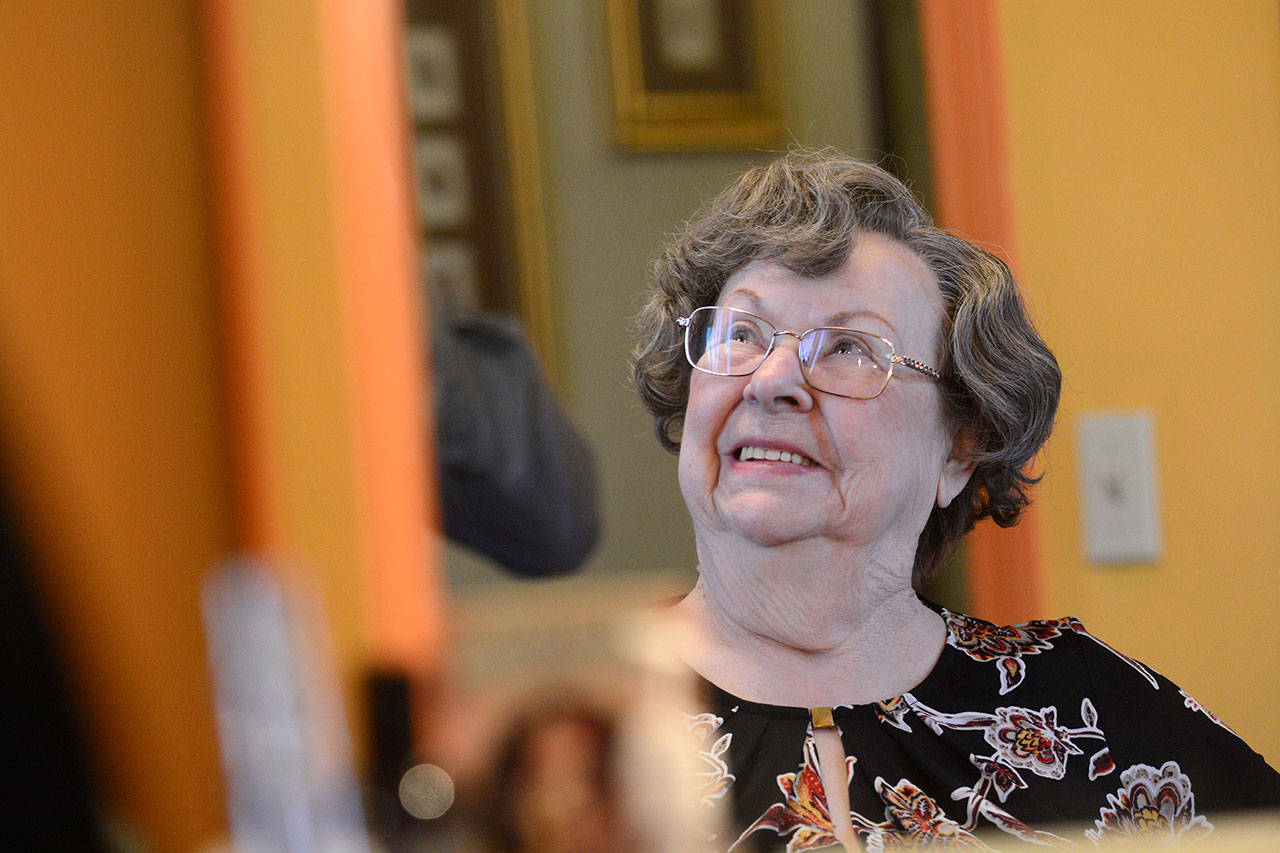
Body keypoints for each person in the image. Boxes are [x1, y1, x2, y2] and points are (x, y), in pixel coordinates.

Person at [630, 149, 1280, 849]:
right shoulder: (578, 724)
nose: (771, 380)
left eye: (848, 347)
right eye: (742, 334)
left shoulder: (1089, 715)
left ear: (961, 446)